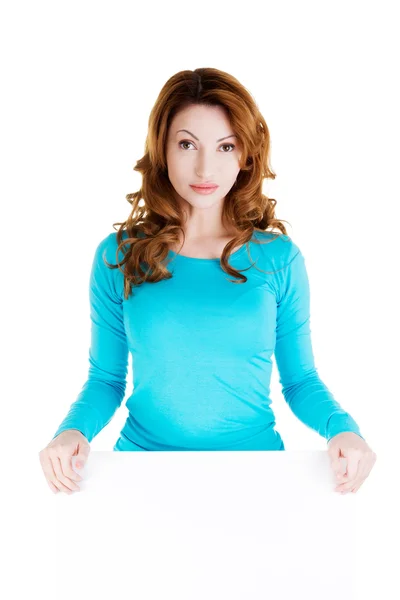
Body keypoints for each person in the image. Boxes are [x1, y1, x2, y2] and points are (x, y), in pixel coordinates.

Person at [38, 67, 377, 496]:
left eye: (224, 146)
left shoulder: (278, 258)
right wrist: (71, 432)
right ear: (161, 149)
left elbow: (301, 380)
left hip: (256, 478)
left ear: (245, 155)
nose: (204, 166)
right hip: (141, 477)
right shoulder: (118, 255)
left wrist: (343, 431)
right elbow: (106, 378)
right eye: (186, 144)